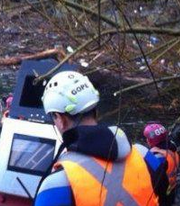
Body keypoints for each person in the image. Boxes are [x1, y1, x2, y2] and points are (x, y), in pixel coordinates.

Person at [34, 71, 159, 206]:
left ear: (60, 119)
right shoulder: (144, 156)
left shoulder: (56, 184)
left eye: (54, 117)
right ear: (96, 111)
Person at [143, 123, 180, 205]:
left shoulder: (157, 157)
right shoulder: (172, 149)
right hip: (171, 188)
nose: (146, 140)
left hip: (162, 193)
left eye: (147, 138)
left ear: (151, 141)